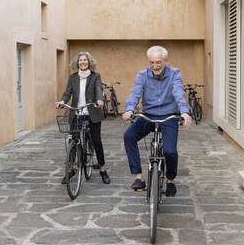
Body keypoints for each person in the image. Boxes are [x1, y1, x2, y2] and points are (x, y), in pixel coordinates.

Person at [122, 46, 191, 197]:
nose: (155, 66)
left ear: (165, 61)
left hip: (169, 116)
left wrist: (185, 112)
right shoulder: (143, 74)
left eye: (158, 62)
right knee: (128, 136)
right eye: (151, 62)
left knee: (170, 151)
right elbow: (135, 92)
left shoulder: (174, 73)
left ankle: (170, 180)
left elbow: (179, 92)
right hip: (148, 115)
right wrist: (129, 109)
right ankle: (139, 177)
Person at [55, 51, 110, 184]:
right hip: (77, 113)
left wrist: (99, 100)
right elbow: (67, 93)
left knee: (96, 141)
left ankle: (103, 169)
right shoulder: (72, 77)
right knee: (73, 141)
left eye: (85, 60)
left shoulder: (95, 76)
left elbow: (98, 89)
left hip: (92, 112)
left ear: (89, 62)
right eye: (80, 60)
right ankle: (71, 169)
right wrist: (62, 102)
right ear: (77, 63)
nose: (83, 62)